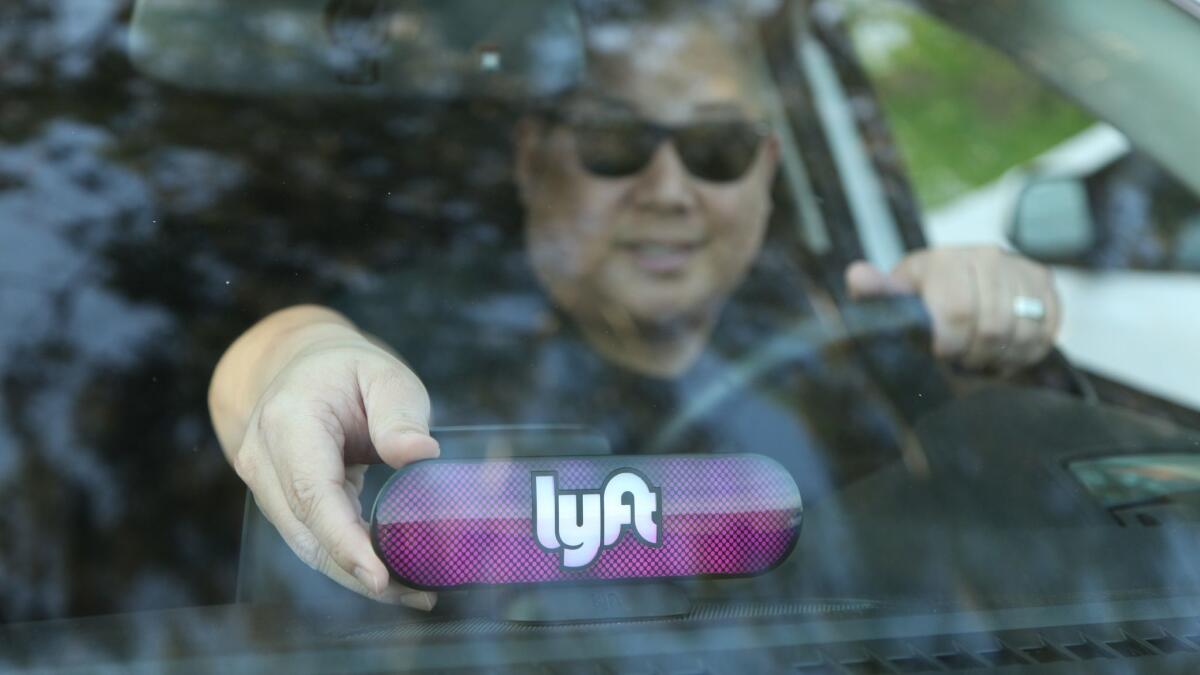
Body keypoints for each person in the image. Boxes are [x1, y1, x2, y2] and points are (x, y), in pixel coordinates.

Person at [207, 10, 1060, 611]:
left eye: (717, 150)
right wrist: (293, 361)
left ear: (766, 171)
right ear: (535, 158)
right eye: (617, 144)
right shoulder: (448, 336)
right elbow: (286, 356)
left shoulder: (841, 335)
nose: (670, 191)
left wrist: (1008, 303)